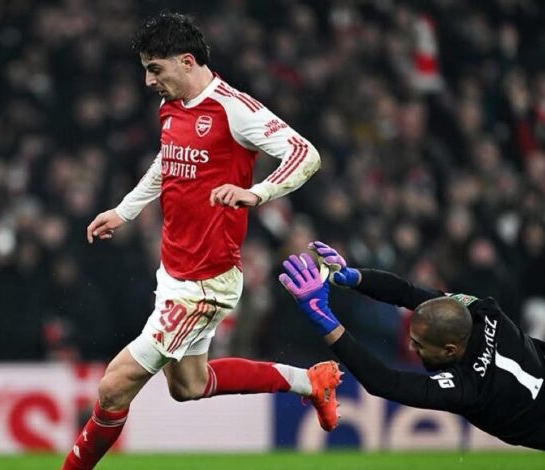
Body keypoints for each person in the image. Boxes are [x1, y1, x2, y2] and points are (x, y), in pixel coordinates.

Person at [61, 12, 339, 470]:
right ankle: (310, 382)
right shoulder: (172, 107)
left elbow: (304, 153)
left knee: (113, 387)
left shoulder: (234, 109)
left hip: (205, 282)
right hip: (175, 272)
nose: (148, 80)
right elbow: (167, 162)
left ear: (186, 61)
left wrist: (257, 193)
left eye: (155, 69)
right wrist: (124, 211)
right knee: (188, 385)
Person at [278, 241, 545, 450]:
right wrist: (354, 276)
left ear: (450, 350)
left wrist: (323, 318)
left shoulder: (469, 388)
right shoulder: (485, 311)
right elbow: (408, 293)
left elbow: (383, 382)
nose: (410, 347)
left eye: (419, 345)